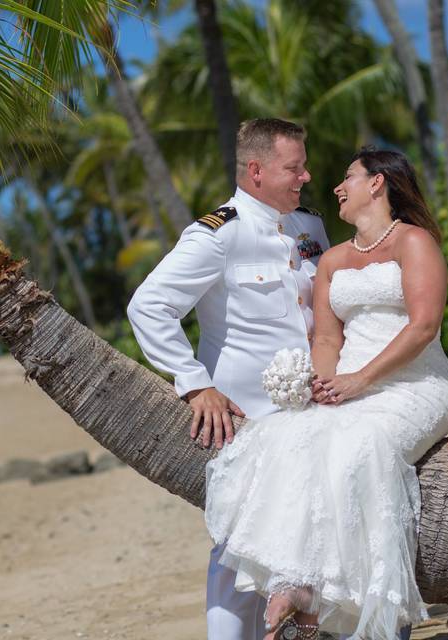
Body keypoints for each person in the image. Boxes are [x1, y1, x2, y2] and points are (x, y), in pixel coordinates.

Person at [204, 147, 448, 640]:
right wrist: (321, 384)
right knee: (283, 439)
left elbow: (424, 326)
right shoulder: (334, 260)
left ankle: (347, 605)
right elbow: (325, 339)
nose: (337, 187)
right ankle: (298, 586)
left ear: (378, 183)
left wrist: (360, 379)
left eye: (349, 177)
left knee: (360, 445)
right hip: (347, 386)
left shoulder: (415, 243)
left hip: (415, 385)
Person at [127, 118, 330, 639]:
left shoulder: (310, 228)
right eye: (294, 167)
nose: (305, 176)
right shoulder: (220, 232)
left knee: (318, 536)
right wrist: (195, 383)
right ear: (257, 170)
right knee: (241, 546)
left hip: (318, 413)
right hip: (249, 420)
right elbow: (149, 306)